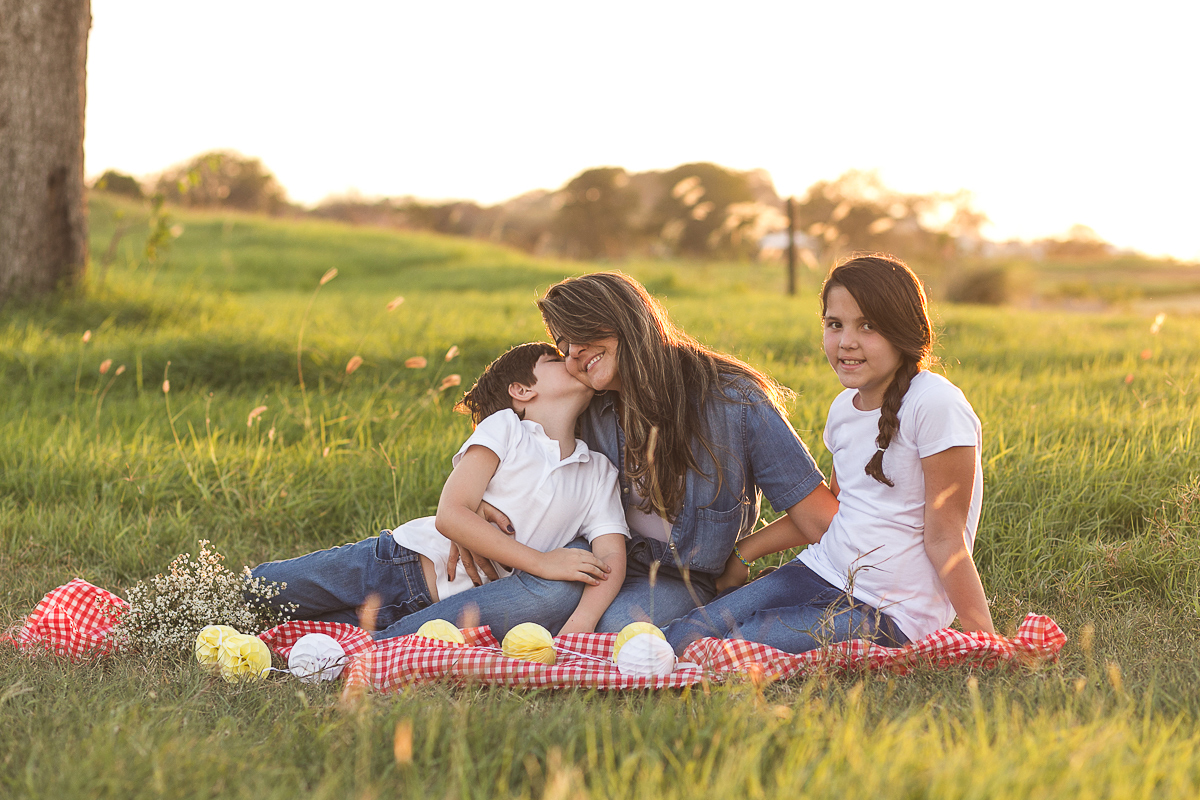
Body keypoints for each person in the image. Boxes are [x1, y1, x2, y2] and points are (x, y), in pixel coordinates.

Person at [384, 272, 839, 640]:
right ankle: (391, 641)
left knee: (620, 627)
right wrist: (481, 504)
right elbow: (510, 427)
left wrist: (743, 553)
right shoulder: (588, 401)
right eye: (563, 346)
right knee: (553, 595)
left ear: (627, 320)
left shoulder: (734, 402)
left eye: (581, 333)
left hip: (682, 573)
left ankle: (404, 637)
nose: (574, 355)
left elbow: (819, 518)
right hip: (597, 552)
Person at [662, 253, 996, 655]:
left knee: (733, 649)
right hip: (818, 571)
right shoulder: (843, 409)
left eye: (868, 325)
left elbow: (946, 539)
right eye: (835, 324)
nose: (846, 341)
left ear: (904, 331)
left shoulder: (936, 404)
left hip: (889, 612)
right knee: (685, 634)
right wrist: (742, 552)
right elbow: (836, 511)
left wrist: (987, 643)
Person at [251, 342, 630, 638]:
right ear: (522, 390)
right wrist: (542, 563)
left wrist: (582, 622)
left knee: (309, 633)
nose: (571, 361)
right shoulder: (507, 429)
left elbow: (611, 555)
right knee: (265, 590)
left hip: (436, 609)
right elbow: (452, 514)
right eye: (555, 360)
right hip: (397, 564)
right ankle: (215, 592)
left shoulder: (599, 472)